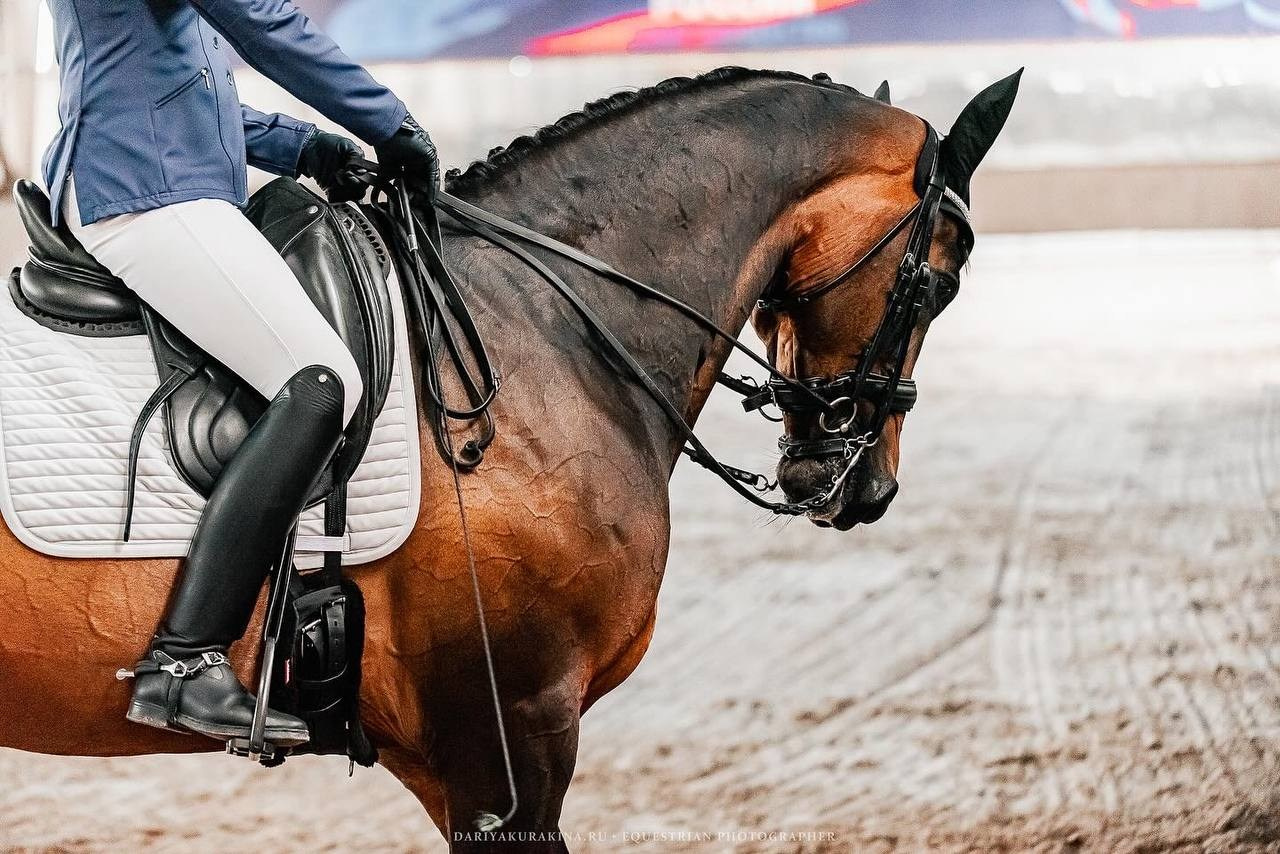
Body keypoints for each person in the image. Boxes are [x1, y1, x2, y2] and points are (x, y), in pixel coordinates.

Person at [40, 0, 440, 748]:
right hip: (142, 189)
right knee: (322, 379)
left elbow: (181, 87)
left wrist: (307, 146)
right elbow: (261, 19)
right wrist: (390, 124)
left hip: (159, 171)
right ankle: (184, 660)